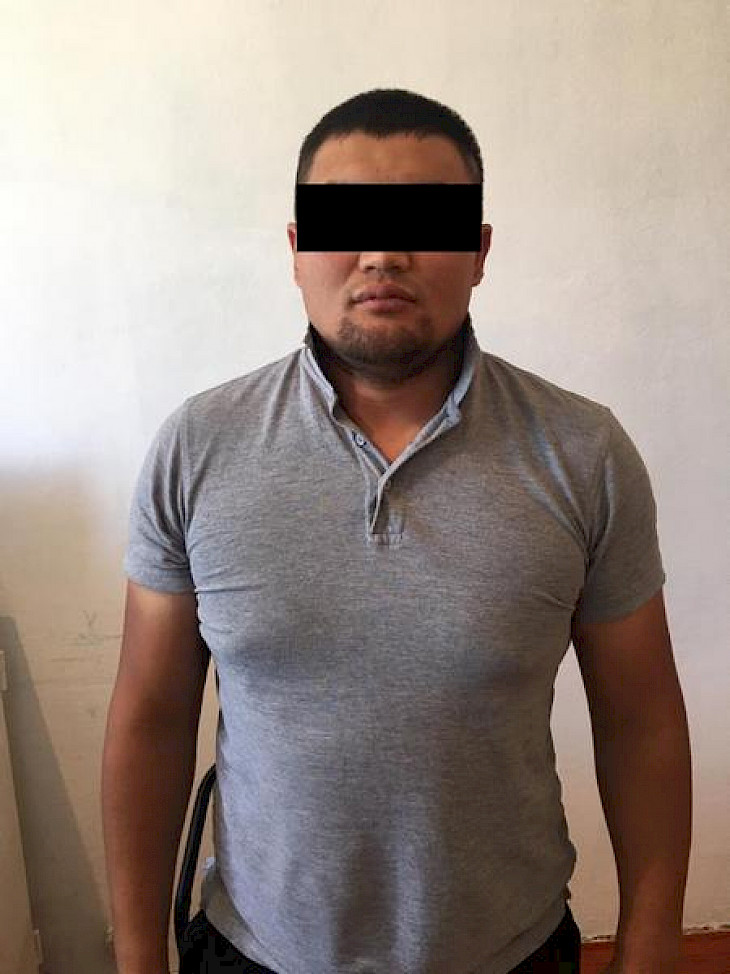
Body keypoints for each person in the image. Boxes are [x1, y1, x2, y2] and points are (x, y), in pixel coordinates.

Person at [102, 88, 691, 974]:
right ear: (296, 250)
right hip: (255, 950)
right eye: (345, 224)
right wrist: (137, 949)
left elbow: (640, 719)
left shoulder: (584, 454)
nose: (382, 254)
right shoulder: (197, 448)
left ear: (480, 252)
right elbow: (151, 716)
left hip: (511, 950)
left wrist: (652, 938)